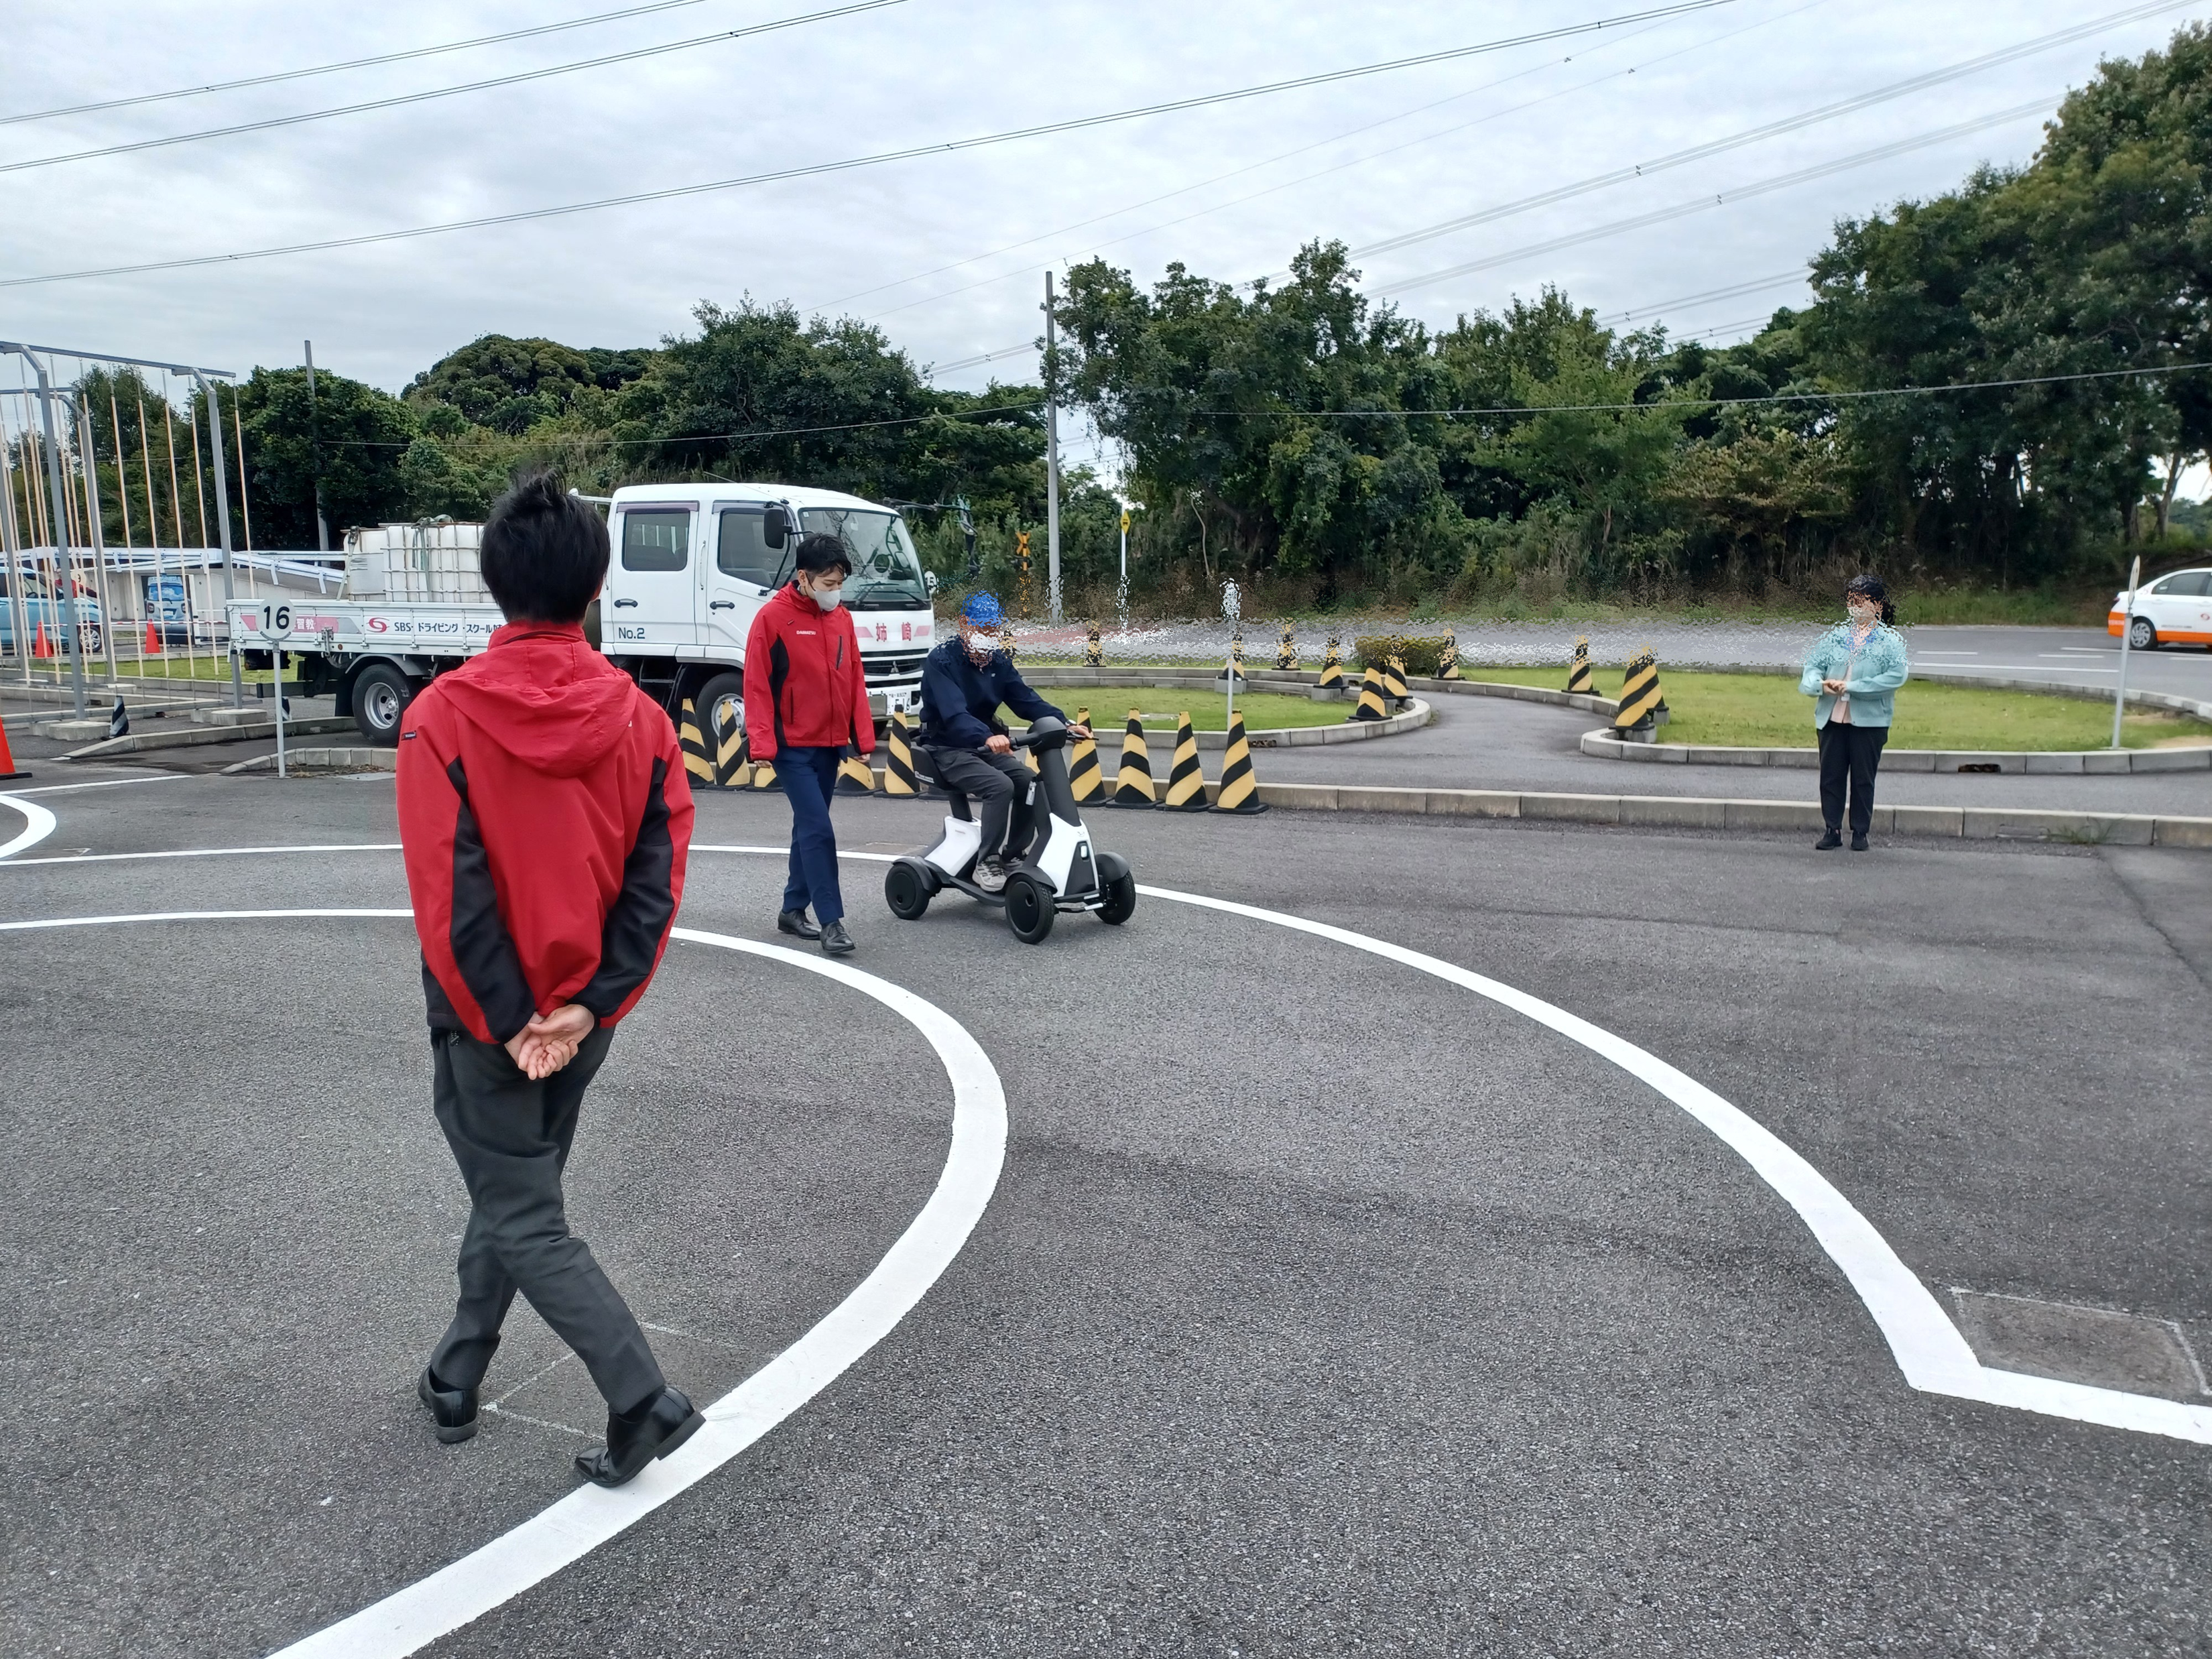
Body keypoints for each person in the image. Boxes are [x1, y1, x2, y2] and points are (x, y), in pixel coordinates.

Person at [396, 470, 701, 1489]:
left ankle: (641, 1395)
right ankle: (456, 1370)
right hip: (582, 1019)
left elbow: (452, 896)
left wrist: (508, 1018)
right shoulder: (645, 721)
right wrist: (586, 1005)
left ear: (494, 583)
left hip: (487, 1021)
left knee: (522, 1208)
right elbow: (655, 882)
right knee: (516, 1192)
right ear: (593, 584)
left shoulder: (442, 717)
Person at [743, 531, 873, 955]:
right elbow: (757, 686)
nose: (836, 593)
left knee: (807, 827)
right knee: (819, 829)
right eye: (829, 584)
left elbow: (854, 676)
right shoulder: (772, 619)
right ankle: (832, 921)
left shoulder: (842, 619)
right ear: (804, 577)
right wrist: (762, 746)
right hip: (791, 746)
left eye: (840, 585)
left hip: (829, 743)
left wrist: (862, 736)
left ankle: (791, 909)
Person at [917, 593, 1089, 892]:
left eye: (994, 630)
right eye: (982, 629)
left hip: (983, 746)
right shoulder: (942, 660)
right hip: (946, 747)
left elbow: (1025, 700)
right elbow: (955, 713)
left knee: (1029, 782)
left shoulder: (998, 661)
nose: (989, 636)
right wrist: (986, 735)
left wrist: (1065, 724)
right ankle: (987, 862)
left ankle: (1013, 855)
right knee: (1000, 786)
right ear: (964, 624)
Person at [1800, 573, 1909, 852]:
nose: (1855, 606)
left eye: (1861, 601)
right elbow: (1812, 668)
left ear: (1877, 605)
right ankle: (1832, 829)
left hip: (1869, 722)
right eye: (1851, 601)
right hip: (1832, 718)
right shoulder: (1835, 637)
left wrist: (1852, 687)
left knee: (1863, 778)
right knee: (1831, 776)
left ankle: (1860, 831)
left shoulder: (1890, 641)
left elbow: (1896, 677)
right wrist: (1820, 685)